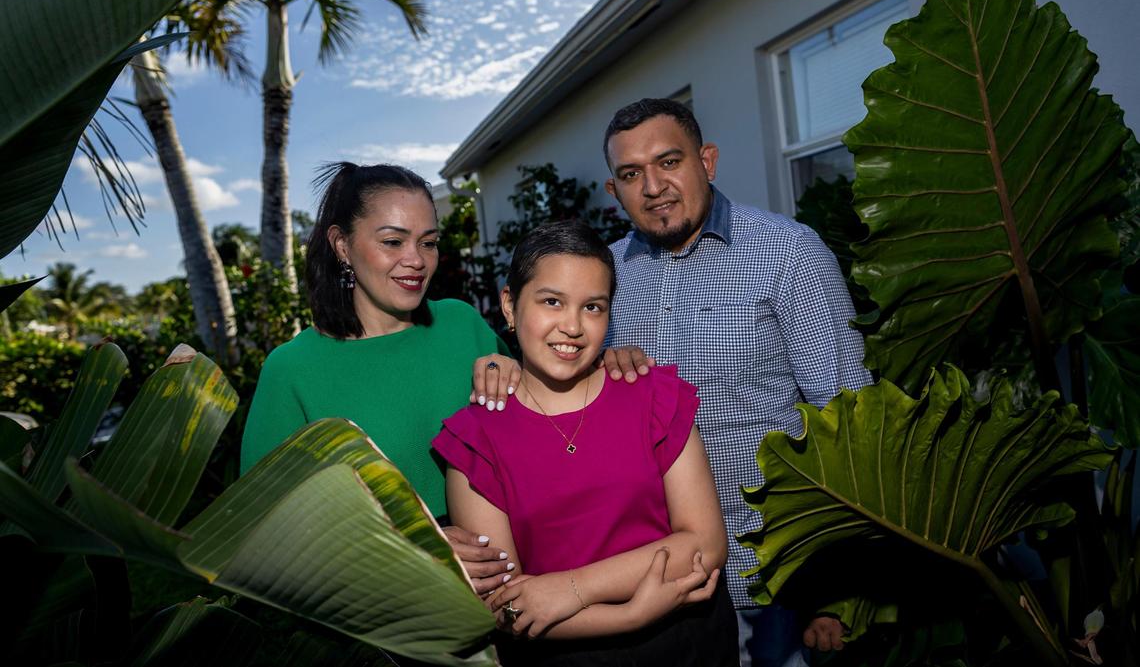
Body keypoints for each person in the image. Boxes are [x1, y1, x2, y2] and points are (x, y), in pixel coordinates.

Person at [598, 98, 873, 665]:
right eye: (632, 174)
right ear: (614, 191)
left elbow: (849, 421)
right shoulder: (601, 278)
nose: (653, 186)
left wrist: (841, 593)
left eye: (669, 161)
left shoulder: (788, 253)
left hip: (778, 579)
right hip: (655, 583)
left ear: (708, 161)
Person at [433, 219, 738, 666]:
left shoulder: (653, 394)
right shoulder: (476, 437)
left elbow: (706, 545)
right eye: (552, 301)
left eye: (593, 307)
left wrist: (573, 588)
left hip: (691, 643)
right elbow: (507, 604)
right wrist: (629, 615)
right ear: (510, 306)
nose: (573, 326)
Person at [240, 162, 517, 525]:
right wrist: (415, 548)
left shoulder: (462, 323)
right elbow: (263, 524)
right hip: (390, 580)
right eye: (392, 242)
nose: (416, 260)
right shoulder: (292, 369)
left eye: (428, 243)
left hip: (519, 567)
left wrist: (519, 374)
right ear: (343, 246)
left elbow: (547, 433)